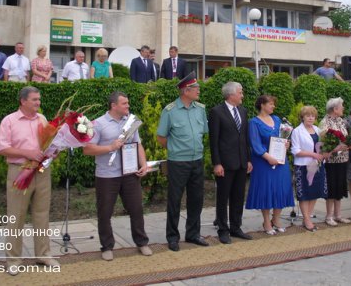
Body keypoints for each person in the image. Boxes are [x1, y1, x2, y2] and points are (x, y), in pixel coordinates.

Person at [0, 86, 59, 275]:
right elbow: (1, 148)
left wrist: (52, 152)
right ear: (23, 101)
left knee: (42, 214)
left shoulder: (42, 119)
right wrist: (26, 152)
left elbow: (47, 144)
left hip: (41, 172)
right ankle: (13, 259)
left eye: (39, 99)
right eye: (34, 100)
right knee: (16, 216)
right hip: (19, 171)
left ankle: (44, 254)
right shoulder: (9, 121)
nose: (38, 103)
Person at [83, 92, 152, 260]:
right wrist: (110, 147)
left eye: (128, 103)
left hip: (129, 173)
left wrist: (144, 164)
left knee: (136, 209)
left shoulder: (131, 122)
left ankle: (142, 243)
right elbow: (87, 149)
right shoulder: (98, 124)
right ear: (114, 106)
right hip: (107, 176)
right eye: (124, 103)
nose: (128, 106)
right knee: (105, 212)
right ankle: (107, 246)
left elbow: (138, 145)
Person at [156, 72, 209, 251]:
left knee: (196, 199)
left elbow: (204, 132)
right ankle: (172, 237)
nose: (199, 90)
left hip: (197, 160)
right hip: (178, 162)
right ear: (186, 90)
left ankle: (193, 234)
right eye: (196, 88)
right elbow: (161, 137)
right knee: (175, 200)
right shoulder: (170, 110)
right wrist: (175, 149)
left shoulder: (200, 109)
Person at [208, 82, 253, 244]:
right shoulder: (216, 112)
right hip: (225, 164)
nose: (242, 95)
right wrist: (217, 163)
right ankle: (223, 229)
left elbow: (245, 138)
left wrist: (248, 159)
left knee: (238, 197)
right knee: (223, 197)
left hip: (241, 163)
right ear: (231, 94)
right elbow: (214, 141)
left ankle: (236, 227)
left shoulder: (243, 111)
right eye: (240, 92)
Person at [245, 94, 294, 235]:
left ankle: (276, 219)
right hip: (263, 162)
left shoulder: (277, 119)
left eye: (274, 104)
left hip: (280, 161)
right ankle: (266, 221)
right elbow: (255, 144)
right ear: (262, 105)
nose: (273, 106)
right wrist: (267, 157)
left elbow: (281, 137)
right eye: (271, 104)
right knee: (266, 190)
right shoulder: (254, 122)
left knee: (280, 188)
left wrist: (286, 143)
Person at [290, 105, 328, 231]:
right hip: (303, 166)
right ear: (302, 117)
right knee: (305, 193)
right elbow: (295, 150)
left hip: (317, 165)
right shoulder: (297, 131)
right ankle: (306, 219)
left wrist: (324, 153)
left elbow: (322, 147)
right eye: (308, 115)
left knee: (315, 192)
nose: (311, 118)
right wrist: (313, 154)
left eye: (313, 116)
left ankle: (308, 217)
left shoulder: (318, 130)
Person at [318, 97, 351, 226]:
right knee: (332, 187)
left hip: (343, 158)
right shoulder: (325, 122)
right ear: (335, 109)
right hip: (331, 160)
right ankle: (329, 216)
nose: (343, 108)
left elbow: (346, 137)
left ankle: (338, 215)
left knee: (340, 187)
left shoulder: (341, 121)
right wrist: (334, 148)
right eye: (341, 106)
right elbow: (322, 143)